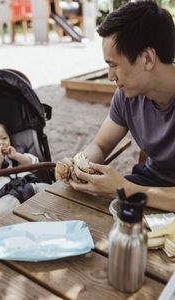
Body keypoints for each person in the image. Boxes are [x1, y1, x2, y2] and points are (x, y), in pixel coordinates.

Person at [63, 0, 175, 211]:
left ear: (147, 58)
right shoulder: (127, 95)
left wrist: (124, 188)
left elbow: (126, 188)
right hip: (147, 185)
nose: (110, 76)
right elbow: (101, 145)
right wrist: (80, 166)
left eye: (114, 65)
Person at [0, 119, 48, 223]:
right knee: (1, 214)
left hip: (31, 186)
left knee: (50, 191)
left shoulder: (16, 153)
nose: (0, 142)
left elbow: (34, 165)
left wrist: (16, 156)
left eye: (4, 138)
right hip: (7, 197)